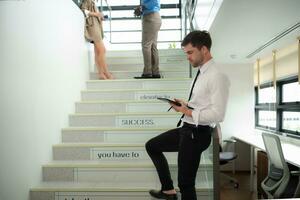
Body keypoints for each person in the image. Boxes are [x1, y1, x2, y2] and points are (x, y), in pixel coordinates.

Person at [145, 30, 230, 200]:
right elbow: (202, 104)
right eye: (186, 53)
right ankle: (168, 190)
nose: (188, 57)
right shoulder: (200, 73)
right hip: (187, 129)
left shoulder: (217, 76)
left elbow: (218, 114)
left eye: (190, 52)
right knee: (152, 146)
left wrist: (187, 111)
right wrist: (186, 104)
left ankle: (172, 191)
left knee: (186, 183)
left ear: (204, 49)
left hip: (197, 134)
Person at [81, 0, 113, 80]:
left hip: (97, 27)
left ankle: (101, 74)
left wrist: (100, 17)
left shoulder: (93, 2)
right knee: (102, 50)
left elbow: (93, 14)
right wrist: (97, 14)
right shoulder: (87, 1)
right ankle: (106, 73)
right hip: (93, 28)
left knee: (98, 51)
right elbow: (83, 10)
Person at [134, 0, 162, 79]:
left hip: (150, 17)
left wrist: (142, 7)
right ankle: (155, 72)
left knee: (146, 45)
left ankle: (148, 72)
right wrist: (141, 9)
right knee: (152, 45)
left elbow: (153, 2)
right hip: (154, 17)